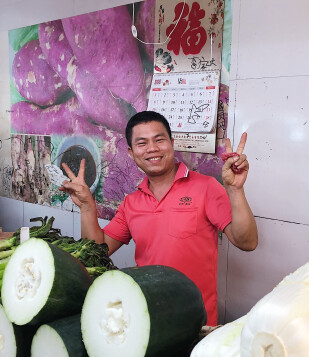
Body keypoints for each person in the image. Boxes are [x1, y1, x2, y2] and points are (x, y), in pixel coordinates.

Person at [59, 111, 257, 325]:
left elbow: (247, 242)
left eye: (159, 139)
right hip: (147, 320)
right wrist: (88, 207)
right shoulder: (131, 203)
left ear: (171, 143)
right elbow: (97, 251)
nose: (152, 148)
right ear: (131, 152)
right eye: (142, 143)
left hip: (197, 322)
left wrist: (235, 190)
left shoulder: (206, 187)